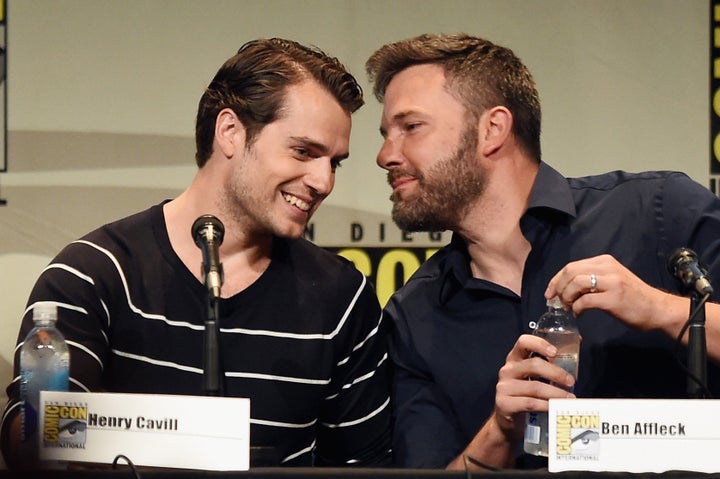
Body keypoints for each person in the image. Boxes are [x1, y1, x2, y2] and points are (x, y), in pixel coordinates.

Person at [1, 37, 392, 469]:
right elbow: (32, 443)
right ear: (230, 131)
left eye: (334, 162)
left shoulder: (340, 296)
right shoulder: (95, 273)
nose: (323, 181)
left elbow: (366, 467)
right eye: (303, 151)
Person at [365, 33, 720, 470]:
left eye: (411, 127)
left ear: (491, 129)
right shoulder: (414, 314)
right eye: (386, 134)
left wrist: (661, 309)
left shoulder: (660, 213)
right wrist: (500, 430)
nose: (385, 155)